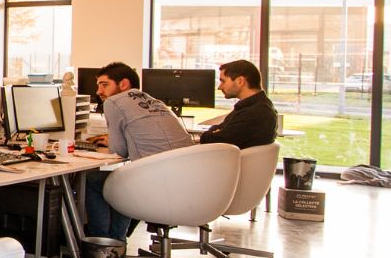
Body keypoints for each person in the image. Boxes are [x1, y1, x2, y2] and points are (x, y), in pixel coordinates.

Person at [82, 61, 194, 240]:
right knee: (122, 181)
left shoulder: (114, 102)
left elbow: (119, 151)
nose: (98, 92)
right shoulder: (155, 101)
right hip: (186, 181)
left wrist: (111, 142)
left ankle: (101, 241)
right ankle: (118, 240)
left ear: (124, 84)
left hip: (154, 181)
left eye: (104, 85)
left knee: (91, 180)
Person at [197, 60, 277, 148]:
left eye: (223, 81)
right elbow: (218, 130)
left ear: (240, 81)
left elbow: (215, 140)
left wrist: (209, 134)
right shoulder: (253, 106)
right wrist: (215, 131)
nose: (219, 87)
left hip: (229, 160)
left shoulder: (256, 112)